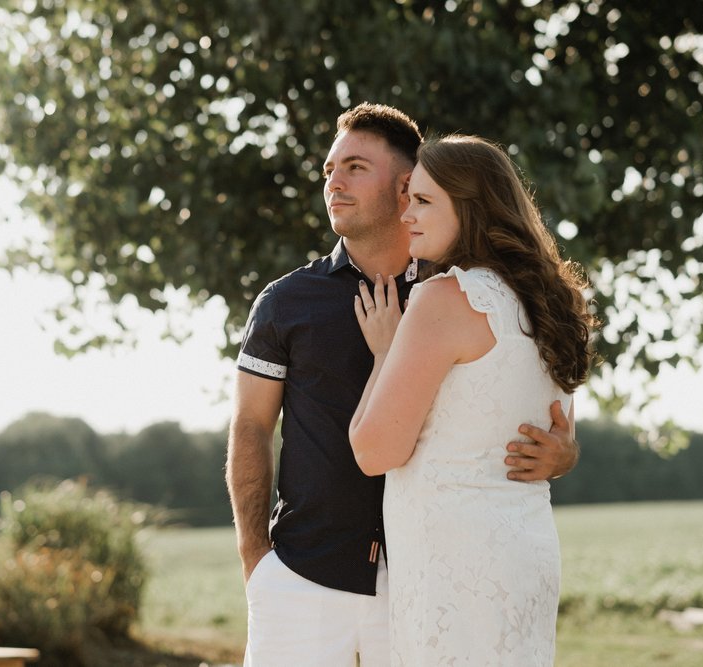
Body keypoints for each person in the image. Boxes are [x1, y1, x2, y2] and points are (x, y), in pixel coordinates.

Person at [226, 104, 580, 667]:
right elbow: (249, 426)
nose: (333, 183)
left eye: (356, 168)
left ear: (405, 187)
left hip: (420, 578)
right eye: (329, 170)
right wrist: (256, 558)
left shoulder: (458, 292)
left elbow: (514, 399)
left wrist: (562, 451)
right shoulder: (285, 302)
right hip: (304, 576)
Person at [348, 134, 598, 665]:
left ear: (469, 206)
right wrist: (568, 457)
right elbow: (563, 433)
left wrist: (384, 355)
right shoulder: (553, 301)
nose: (405, 216)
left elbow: (374, 451)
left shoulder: (444, 298)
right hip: (525, 554)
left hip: (455, 565)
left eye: (422, 201)